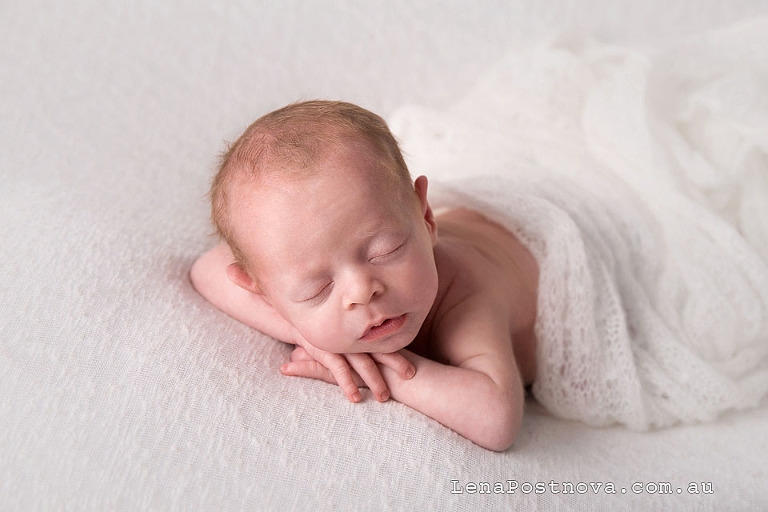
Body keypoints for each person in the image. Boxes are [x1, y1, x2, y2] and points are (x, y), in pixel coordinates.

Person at [190, 100, 539, 451]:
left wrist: (379, 368)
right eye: (318, 289)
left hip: (535, 248)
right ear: (266, 295)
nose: (361, 291)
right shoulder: (294, 269)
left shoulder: (465, 293)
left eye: (384, 251)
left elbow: (497, 419)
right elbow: (206, 269)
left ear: (426, 218)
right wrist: (303, 332)